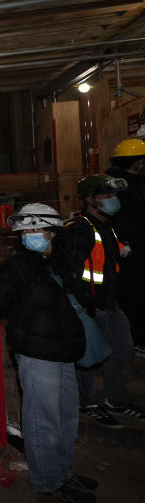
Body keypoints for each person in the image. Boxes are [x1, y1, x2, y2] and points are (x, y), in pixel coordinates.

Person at [0, 203, 98, 503]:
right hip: (38, 355)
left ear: (52, 233)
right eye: (25, 231)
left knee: (65, 419)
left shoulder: (57, 264)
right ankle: (48, 480)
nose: (29, 235)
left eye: (36, 229)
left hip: (63, 354)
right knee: (43, 421)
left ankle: (62, 472)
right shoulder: (18, 266)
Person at [58, 174, 142, 428]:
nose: (111, 200)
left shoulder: (107, 226)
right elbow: (69, 270)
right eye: (105, 195)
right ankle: (88, 402)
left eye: (114, 195)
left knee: (123, 348)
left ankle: (116, 400)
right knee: (88, 355)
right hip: (89, 305)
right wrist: (84, 304)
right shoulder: (79, 228)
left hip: (109, 303)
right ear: (89, 199)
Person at [105, 139, 145, 355]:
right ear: (137, 163)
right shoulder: (120, 186)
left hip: (130, 249)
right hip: (129, 251)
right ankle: (135, 341)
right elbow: (125, 220)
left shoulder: (130, 182)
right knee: (134, 296)